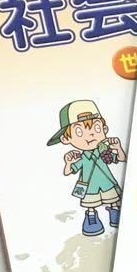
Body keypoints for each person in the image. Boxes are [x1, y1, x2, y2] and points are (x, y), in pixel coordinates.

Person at [47, 99, 125, 237]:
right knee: (91, 205)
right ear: (66, 139)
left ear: (105, 129)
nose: (90, 134)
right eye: (79, 131)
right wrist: (68, 162)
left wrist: (118, 148)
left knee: (113, 200)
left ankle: (114, 212)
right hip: (89, 187)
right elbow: (68, 172)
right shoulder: (82, 158)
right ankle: (91, 217)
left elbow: (122, 159)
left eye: (96, 128)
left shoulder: (104, 151)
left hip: (107, 183)